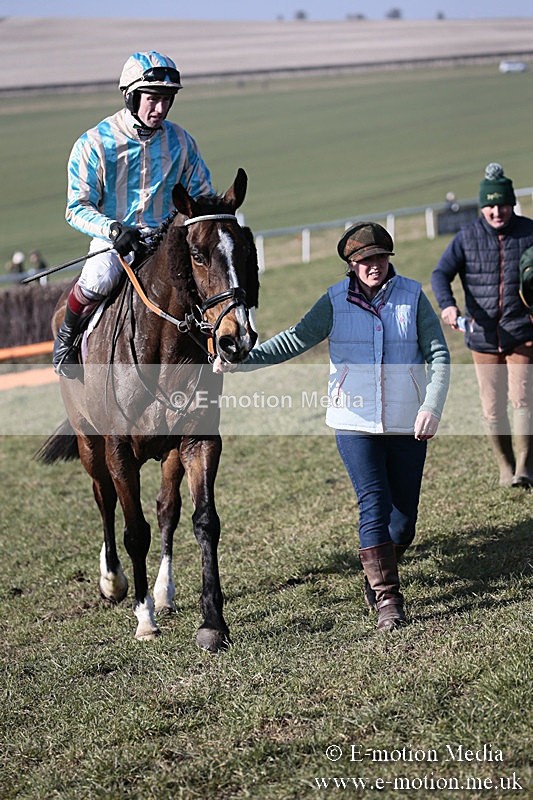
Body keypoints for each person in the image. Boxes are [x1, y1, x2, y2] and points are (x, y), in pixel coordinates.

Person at [215, 222, 450, 631]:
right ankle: (387, 599)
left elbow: (439, 355)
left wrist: (431, 405)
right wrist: (241, 362)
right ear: (351, 264)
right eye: (364, 260)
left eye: (379, 258)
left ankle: (375, 565)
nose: (373, 266)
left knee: (403, 523)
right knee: (373, 504)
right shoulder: (334, 301)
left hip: (406, 422)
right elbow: (293, 340)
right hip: (353, 422)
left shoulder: (412, 297)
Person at [53, 50, 216, 378]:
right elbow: (76, 207)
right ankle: (67, 338)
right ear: (130, 96)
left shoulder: (182, 142)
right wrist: (112, 229)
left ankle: (222, 346)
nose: (160, 109)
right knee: (97, 279)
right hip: (115, 242)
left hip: (169, 240)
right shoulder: (93, 143)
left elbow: (202, 196)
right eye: (152, 99)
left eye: (167, 100)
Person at [431, 163, 533, 488]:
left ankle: (525, 468)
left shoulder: (530, 233)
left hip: (523, 331)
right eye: (489, 205)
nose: (496, 211)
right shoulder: (466, 238)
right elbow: (440, 274)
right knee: (492, 407)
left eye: (501, 204)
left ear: (511, 202)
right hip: (483, 336)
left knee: (523, 399)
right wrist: (448, 306)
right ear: (482, 206)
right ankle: (505, 467)